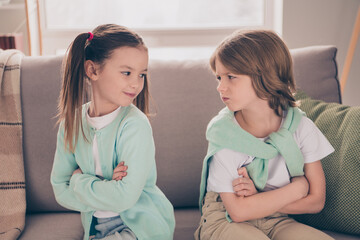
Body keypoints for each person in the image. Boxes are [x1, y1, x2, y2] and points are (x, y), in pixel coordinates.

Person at [195, 30, 335, 240]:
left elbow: (316, 201)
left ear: (265, 76)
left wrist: (258, 199)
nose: (220, 87)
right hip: (223, 219)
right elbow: (239, 211)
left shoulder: (301, 127)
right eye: (219, 77)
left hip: (277, 219)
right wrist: (299, 186)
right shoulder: (224, 133)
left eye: (231, 77)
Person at [50, 24, 175, 240]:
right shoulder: (72, 124)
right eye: (126, 72)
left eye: (142, 75)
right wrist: (107, 186)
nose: (136, 84)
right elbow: (60, 190)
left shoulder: (135, 125)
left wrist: (80, 181)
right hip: (95, 227)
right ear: (93, 70)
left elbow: (123, 199)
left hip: (140, 228)